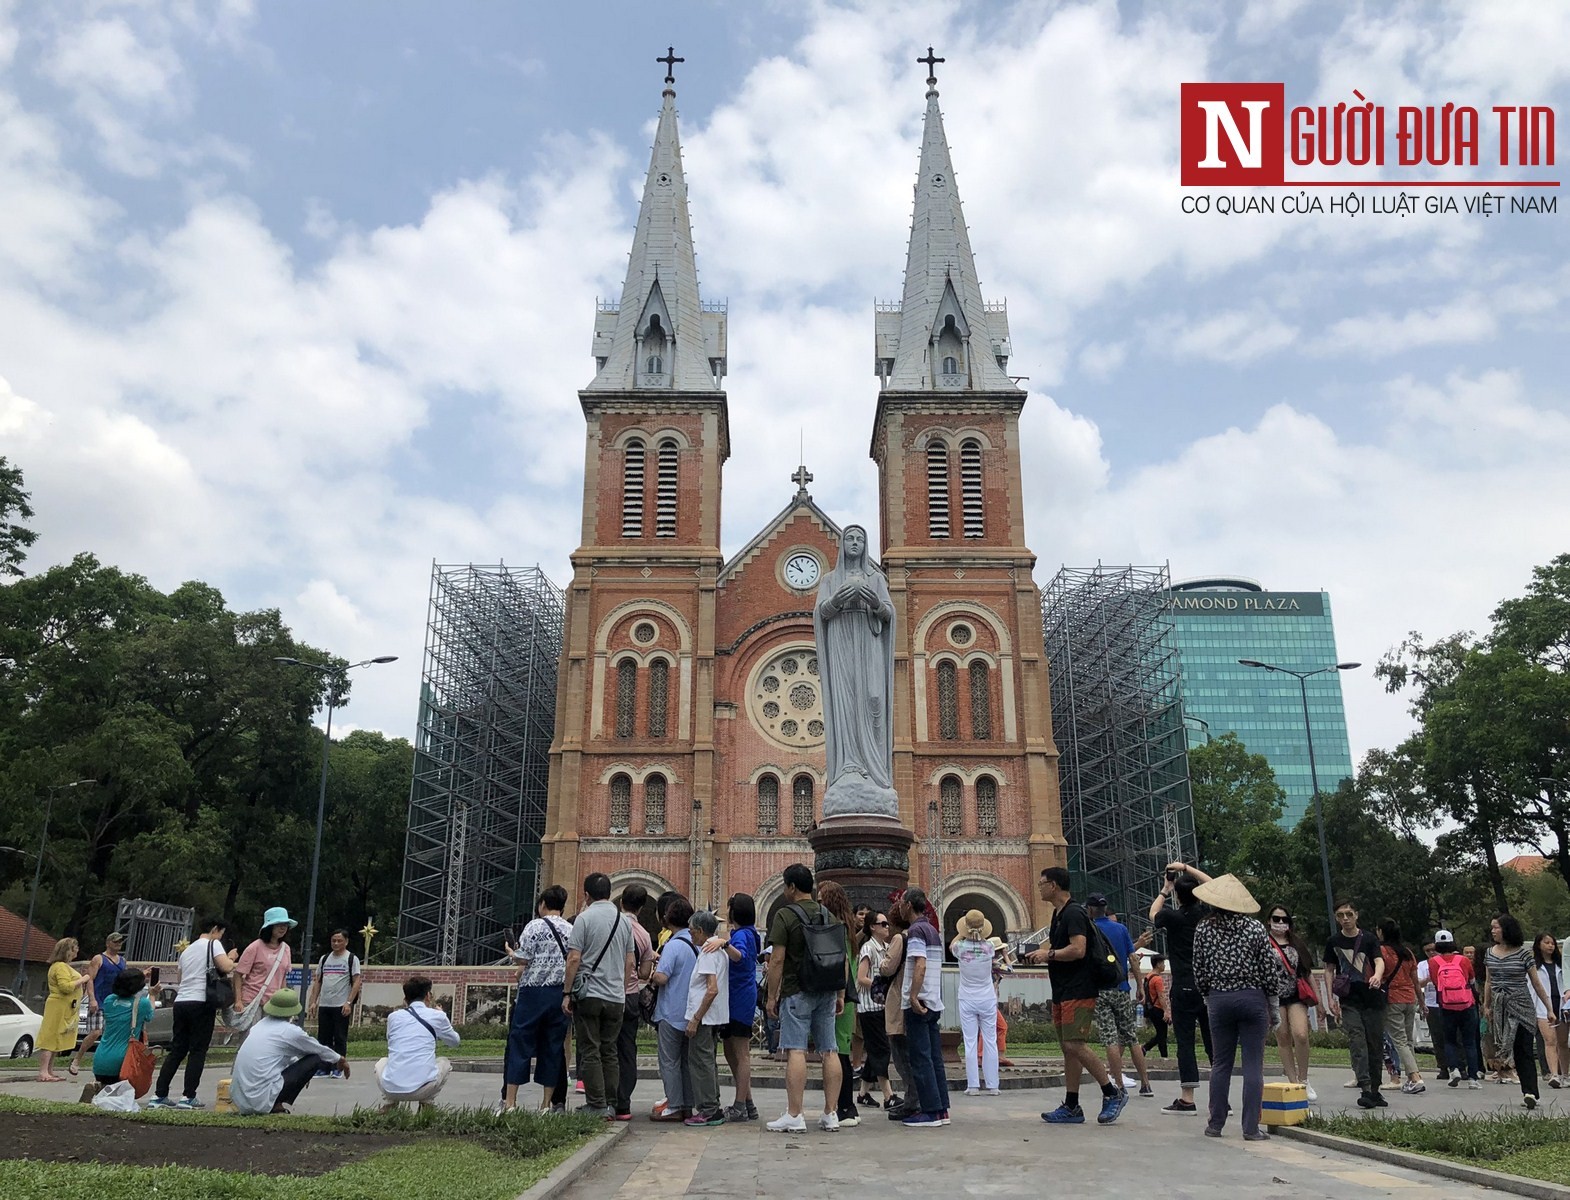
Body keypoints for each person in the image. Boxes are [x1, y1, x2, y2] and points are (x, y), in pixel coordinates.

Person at [1191, 874, 1288, 1141]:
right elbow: (1269, 970)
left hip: (1219, 999)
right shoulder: (1255, 929)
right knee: (1253, 1065)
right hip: (1252, 999)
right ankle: (1250, 1128)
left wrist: (1208, 995)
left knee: (1221, 1063)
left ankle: (1215, 1124)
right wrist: (1274, 1004)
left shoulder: (1203, 929)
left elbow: (1198, 969)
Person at [812, 524, 899, 819]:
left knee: (874, 700)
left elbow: (889, 614)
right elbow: (820, 613)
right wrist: (837, 600)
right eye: (849, 538)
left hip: (869, 645)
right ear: (841, 545)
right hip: (842, 647)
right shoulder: (829, 579)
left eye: (860, 538)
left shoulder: (876, 578)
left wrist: (873, 600)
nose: (854, 543)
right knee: (846, 705)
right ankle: (849, 764)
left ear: (865, 546)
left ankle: (873, 770)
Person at [1030, 867, 1125, 1126]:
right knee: (1067, 1048)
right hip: (1062, 989)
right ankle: (1072, 1105)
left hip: (1078, 988)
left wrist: (1047, 954)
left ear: (1055, 885)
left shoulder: (1073, 912)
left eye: (1042, 883)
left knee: (1074, 1044)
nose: (1039, 888)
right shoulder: (1058, 914)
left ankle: (1112, 1092)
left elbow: (1078, 949)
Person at [765, 862, 846, 1133]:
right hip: (826, 989)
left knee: (796, 1049)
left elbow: (777, 960)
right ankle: (830, 1113)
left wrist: (770, 997)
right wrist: (841, 993)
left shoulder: (785, 915)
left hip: (796, 989)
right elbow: (841, 958)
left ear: (791, 886)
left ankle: (795, 1114)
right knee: (829, 1049)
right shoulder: (829, 916)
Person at [562, 871, 635, 1118]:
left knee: (590, 1049)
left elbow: (573, 959)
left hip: (590, 995)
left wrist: (567, 992)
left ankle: (596, 1104)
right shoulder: (624, 921)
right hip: (616, 996)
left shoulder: (584, 919)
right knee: (610, 1050)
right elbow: (629, 962)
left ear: (586, 895)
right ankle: (612, 1103)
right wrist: (621, 990)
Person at [500, 886, 572, 1113]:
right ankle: (545, 1105)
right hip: (558, 993)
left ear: (542, 904)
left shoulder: (534, 926)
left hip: (532, 993)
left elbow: (523, 958)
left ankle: (510, 1102)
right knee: (552, 1047)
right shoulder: (571, 930)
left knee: (519, 1043)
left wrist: (511, 953)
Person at [151, 918, 237, 1108]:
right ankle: (188, 1096)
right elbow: (226, 967)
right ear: (215, 930)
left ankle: (159, 1095)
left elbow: (181, 978)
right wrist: (231, 957)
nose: (221, 937)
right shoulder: (214, 944)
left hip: (181, 1002)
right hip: (201, 1002)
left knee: (177, 1049)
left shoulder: (186, 950)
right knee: (198, 1050)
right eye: (221, 933)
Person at [1149, 862, 1214, 1114]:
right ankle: (1222, 1099)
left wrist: (1165, 889)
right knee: (1213, 1042)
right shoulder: (1209, 914)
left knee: (1185, 1042)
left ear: (1178, 895)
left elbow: (1153, 913)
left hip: (1184, 986)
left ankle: (1187, 1098)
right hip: (1209, 986)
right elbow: (1214, 885)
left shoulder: (1173, 917)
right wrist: (1187, 868)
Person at [231, 987, 348, 1115]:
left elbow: (285, 1055)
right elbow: (318, 1049)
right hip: (260, 1101)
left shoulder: (260, 1025)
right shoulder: (290, 1031)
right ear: (293, 1011)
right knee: (315, 1058)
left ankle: (275, 1102)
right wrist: (339, 1059)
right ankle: (275, 1104)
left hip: (240, 1100)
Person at [1483, 913, 1554, 1108]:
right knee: (1506, 1048)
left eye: (1495, 927)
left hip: (1522, 1006)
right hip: (1500, 1008)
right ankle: (1509, 1075)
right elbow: (1489, 981)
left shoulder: (1523, 954)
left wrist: (1549, 1008)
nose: (1493, 931)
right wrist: (1486, 1005)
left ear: (1506, 929)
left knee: (1523, 1048)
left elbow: (1536, 983)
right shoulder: (1489, 953)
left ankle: (1529, 1092)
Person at [1323, 899, 1388, 1109]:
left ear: (1356, 915)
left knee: (1375, 1044)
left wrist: (1377, 976)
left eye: (1349, 914)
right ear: (1336, 917)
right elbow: (1329, 969)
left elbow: (1379, 960)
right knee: (1357, 1040)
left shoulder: (1368, 938)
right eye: (1341, 915)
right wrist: (1331, 997)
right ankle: (1366, 1088)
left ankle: (1376, 1089)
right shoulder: (1333, 941)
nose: (1345, 919)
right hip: (1349, 999)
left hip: (1372, 998)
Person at [1087, 894, 1152, 1098]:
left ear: (1089, 910)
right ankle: (1146, 1084)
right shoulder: (1121, 929)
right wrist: (1140, 985)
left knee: (1110, 1038)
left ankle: (1119, 1085)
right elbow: (1132, 958)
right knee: (1131, 1036)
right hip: (1122, 988)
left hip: (1100, 990)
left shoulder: (1089, 930)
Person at [702, 892, 760, 1122]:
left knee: (740, 1052)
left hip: (740, 998)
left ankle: (740, 1105)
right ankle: (747, 1101)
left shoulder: (742, 935)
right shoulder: (747, 933)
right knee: (730, 1050)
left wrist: (724, 943)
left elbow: (739, 957)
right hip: (737, 997)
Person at [898, 886, 950, 1128]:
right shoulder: (931, 929)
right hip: (934, 1000)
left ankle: (929, 1111)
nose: (899, 906)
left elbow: (920, 963)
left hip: (920, 1002)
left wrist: (913, 996)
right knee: (934, 1057)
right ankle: (941, 1109)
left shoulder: (916, 930)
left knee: (920, 1058)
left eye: (901, 902)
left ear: (908, 905)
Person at [816, 881, 862, 1127]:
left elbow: (842, 963)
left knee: (839, 1051)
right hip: (844, 996)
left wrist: (839, 994)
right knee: (840, 1048)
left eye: (822, 900)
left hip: (841, 996)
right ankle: (846, 1105)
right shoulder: (847, 928)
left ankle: (846, 1107)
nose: (819, 905)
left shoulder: (839, 929)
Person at [376, 975, 460, 1109]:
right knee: (444, 1062)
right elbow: (455, 1042)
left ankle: (389, 1103)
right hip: (423, 1089)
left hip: (391, 1089)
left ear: (405, 1000)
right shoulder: (437, 1016)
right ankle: (427, 1103)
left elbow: (390, 1040)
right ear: (428, 996)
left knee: (382, 1062)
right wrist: (443, 1018)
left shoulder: (393, 1017)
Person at [651, 895, 698, 1121]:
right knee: (687, 1061)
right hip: (691, 1013)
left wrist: (652, 971)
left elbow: (661, 977)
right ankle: (688, 1104)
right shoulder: (697, 944)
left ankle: (675, 1105)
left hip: (670, 1012)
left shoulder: (673, 944)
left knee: (669, 1061)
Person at [683, 909, 730, 1127]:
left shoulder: (708, 952)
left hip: (704, 1017)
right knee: (708, 1061)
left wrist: (695, 1018)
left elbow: (711, 989)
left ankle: (708, 1109)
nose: (691, 936)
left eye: (692, 932)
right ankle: (713, 1105)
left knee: (700, 1062)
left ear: (701, 931)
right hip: (715, 1016)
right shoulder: (719, 950)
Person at [1265, 905, 1316, 1100]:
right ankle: (1293, 1081)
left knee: (1300, 1034)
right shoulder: (1264, 942)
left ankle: (1304, 1079)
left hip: (1296, 995)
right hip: (1275, 997)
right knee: (1283, 1037)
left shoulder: (1296, 943)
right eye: (1276, 919)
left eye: (1284, 919)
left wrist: (1318, 1002)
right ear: (1269, 921)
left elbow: (1307, 972)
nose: (1280, 923)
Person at [614, 884, 655, 1121]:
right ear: (641, 907)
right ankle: (623, 1104)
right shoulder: (643, 935)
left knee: (605, 1048)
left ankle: (603, 1101)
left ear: (621, 902)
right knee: (627, 1049)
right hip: (630, 995)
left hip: (606, 993)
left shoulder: (612, 926)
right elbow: (644, 972)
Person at [1425, 929, 1482, 1088]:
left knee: (1449, 1040)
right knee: (1469, 1042)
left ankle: (1454, 1069)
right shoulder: (1463, 960)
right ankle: (1473, 1078)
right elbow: (1471, 980)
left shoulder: (1433, 962)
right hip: (1466, 1004)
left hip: (1446, 1004)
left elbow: (1436, 983)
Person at [951, 909, 1000, 1097]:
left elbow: (953, 943)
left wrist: (963, 931)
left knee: (970, 1042)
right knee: (990, 1041)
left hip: (967, 997)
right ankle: (993, 1085)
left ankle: (973, 1085)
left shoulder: (960, 948)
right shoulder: (989, 947)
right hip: (987, 997)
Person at [68, 930, 128, 1076]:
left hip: (114, 1001)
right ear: (108, 943)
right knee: (95, 1032)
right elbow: (90, 979)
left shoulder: (122, 961)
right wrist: (92, 998)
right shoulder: (99, 959)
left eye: (120, 942)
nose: (118, 944)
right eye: (115, 941)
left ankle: (108, 1063)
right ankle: (77, 1059)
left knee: (112, 1034)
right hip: (100, 1000)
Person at [305, 929, 361, 1074]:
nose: (336, 943)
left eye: (339, 940)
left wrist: (348, 1002)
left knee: (340, 1037)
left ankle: (338, 1067)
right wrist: (313, 1001)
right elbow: (318, 981)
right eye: (333, 941)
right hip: (325, 1004)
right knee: (323, 1038)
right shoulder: (324, 959)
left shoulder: (351, 959)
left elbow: (356, 982)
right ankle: (323, 1067)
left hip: (341, 1005)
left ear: (346, 942)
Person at [1378, 919, 1424, 1094]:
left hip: (1393, 999)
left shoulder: (1382, 951)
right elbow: (1415, 981)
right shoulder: (1407, 953)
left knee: (1399, 1040)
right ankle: (1412, 1076)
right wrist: (1421, 1001)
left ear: (1381, 932)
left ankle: (1414, 1076)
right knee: (1408, 1040)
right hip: (1409, 998)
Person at [856, 908, 895, 1108]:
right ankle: (888, 1095)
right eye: (883, 924)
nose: (887, 927)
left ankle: (863, 1093)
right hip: (869, 1006)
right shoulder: (868, 949)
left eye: (887, 923)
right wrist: (880, 986)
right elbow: (861, 977)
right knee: (881, 1048)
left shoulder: (886, 947)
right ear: (872, 927)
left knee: (875, 1049)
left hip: (882, 1006)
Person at [90, 966, 152, 1090]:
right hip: (124, 1062)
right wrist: (154, 995)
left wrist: (138, 976)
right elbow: (149, 1016)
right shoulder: (142, 1003)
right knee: (124, 1096)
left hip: (100, 1060)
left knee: (108, 1095)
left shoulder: (109, 1000)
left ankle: (97, 1089)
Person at [36, 938, 89, 1083]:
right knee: (51, 1037)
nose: (77, 950)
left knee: (57, 1038)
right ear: (67, 951)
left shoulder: (65, 967)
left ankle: (49, 1071)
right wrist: (83, 979)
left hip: (66, 1006)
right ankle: (43, 1071)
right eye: (74, 948)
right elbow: (65, 987)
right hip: (58, 1006)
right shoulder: (59, 967)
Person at [879, 903, 912, 1118]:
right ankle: (913, 1098)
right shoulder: (917, 936)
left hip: (898, 998)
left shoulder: (900, 939)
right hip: (910, 999)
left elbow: (887, 968)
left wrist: (882, 960)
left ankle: (911, 1099)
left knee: (901, 1054)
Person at [234, 907, 296, 1014]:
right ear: (269, 927)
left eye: (285, 924)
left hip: (274, 1003)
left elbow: (283, 978)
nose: (283, 928)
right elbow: (238, 974)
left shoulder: (286, 949)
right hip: (252, 1000)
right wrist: (238, 1000)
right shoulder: (255, 947)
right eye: (278, 924)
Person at [1531, 932, 1565, 1089]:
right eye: (1547, 942)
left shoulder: (1561, 965)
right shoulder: (1534, 966)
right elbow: (1531, 989)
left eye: (1552, 943)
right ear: (1539, 945)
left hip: (1562, 1005)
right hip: (1544, 1008)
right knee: (1550, 1041)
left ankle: (1565, 1072)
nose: (1550, 946)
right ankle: (1554, 1074)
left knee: (1563, 1042)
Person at [1416, 941, 1451, 1083]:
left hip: (1449, 1001)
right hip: (1432, 1003)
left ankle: (1459, 1066)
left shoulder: (1446, 961)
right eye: (1427, 950)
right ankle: (1443, 1067)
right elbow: (1418, 983)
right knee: (1437, 1038)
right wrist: (1431, 976)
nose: (1431, 952)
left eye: (1433, 949)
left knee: (1452, 1036)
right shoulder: (1422, 965)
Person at [1141, 954, 1170, 1060]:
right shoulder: (1157, 979)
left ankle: (1146, 1049)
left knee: (1160, 1033)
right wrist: (1166, 1011)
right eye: (1163, 963)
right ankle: (1162, 1055)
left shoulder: (1148, 977)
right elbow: (1161, 996)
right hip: (1158, 1008)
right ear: (1158, 964)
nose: (1164, 965)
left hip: (1150, 1008)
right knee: (1162, 1034)